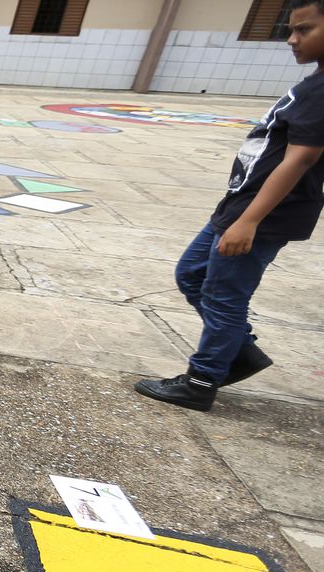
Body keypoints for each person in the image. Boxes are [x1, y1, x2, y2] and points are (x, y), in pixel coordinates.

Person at [135, 0, 324, 411]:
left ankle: (201, 381)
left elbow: (301, 158)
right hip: (239, 205)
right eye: (290, 30)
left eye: (304, 30)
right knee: (192, 273)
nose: (292, 39)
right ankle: (239, 351)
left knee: (224, 295)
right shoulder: (314, 83)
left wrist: (249, 220)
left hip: (261, 215)